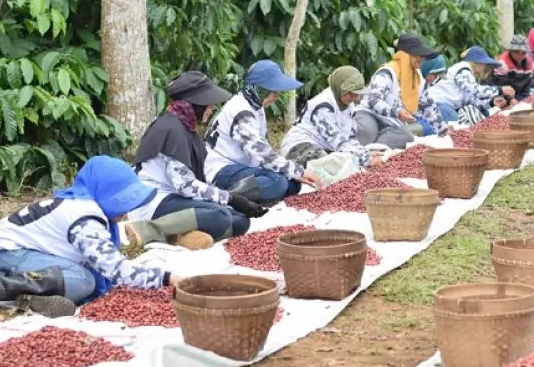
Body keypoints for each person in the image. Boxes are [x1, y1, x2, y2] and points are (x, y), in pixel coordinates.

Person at [0, 156, 182, 318]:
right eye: (120, 200)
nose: (126, 210)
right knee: (82, 280)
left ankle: (28, 299)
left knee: (80, 279)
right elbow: (115, 269)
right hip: (0, 258)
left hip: (17, 257)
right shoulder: (84, 217)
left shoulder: (81, 204)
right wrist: (166, 277)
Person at [130, 71, 263, 244]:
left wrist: (229, 201)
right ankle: (147, 230)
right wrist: (231, 198)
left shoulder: (184, 125)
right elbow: (185, 186)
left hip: (175, 198)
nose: (212, 108)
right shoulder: (172, 129)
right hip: (155, 202)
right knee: (220, 214)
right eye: (208, 104)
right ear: (195, 104)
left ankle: (179, 236)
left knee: (240, 221)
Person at [204, 60, 321, 206]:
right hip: (221, 169)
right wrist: (299, 171)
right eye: (272, 90)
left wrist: (292, 172)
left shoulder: (255, 107)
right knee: (277, 182)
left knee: (292, 183)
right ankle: (224, 198)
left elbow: (264, 151)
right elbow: (261, 154)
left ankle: (251, 194)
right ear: (257, 89)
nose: (277, 95)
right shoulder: (242, 112)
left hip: (242, 167)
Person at [279, 66, 382, 169]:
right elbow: (337, 141)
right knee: (327, 166)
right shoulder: (322, 107)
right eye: (351, 93)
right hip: (299, 146)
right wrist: (366, 159)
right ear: (341, 90)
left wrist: (363, 153)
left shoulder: (348, 106)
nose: (356, 98)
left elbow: (350, 138)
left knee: (344, 163)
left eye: (357, 94)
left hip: (325, 147)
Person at [356, 33, 448, 149]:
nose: (422, 59)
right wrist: (397, 112)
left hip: (390, 121)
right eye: (418, 55)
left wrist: (442, 128)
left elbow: (426, 104)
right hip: (370, 114)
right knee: (368, 131)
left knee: (406, 136)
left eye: (422, 56)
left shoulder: (417, 78)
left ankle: (372, 151)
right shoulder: (387, 73)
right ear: (405, 55)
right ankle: (362, 150)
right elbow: (374, 100)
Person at [426, 46, 511, 126]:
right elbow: (474, 90)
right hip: (437, 103)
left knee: (461, 126)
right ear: (478, 63)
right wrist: (499, 90)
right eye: (485, 65)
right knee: (457, 126)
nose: (486, 68)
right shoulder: (463, 69)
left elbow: (471, 100)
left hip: (444, 105)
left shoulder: (468, 74)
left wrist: (491, 102)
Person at [489, 34, 534, 101]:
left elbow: (526, 86)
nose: (520, 55)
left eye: (523, 52)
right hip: (497, 94)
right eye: (516, 52)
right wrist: (510, 100)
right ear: (511, 50)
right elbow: (502, 87)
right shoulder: (502, 63)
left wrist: (522, 99)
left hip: (518, 93)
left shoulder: (530, 63)